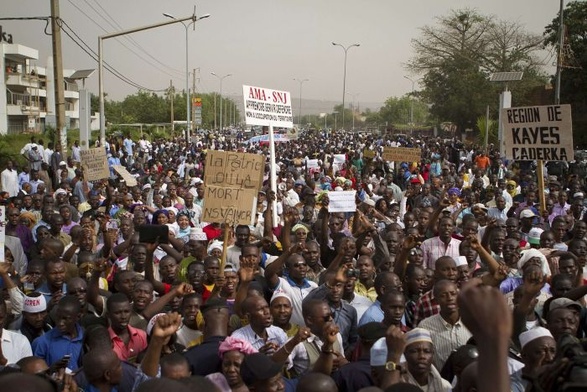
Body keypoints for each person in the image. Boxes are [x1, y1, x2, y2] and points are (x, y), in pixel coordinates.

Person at [417, 280, 472, 370]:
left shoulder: (472, 321)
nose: (449, 298)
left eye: (453, 294)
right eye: (443, 295)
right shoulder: (425, 326)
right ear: (436, 300)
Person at [32, 295, 84, 371]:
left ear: (78, 317)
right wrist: (50, 370)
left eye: (65, 319)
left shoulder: (87, 338)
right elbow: (36, 377)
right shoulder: (42, 342)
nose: (60, 323)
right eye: (58, 317)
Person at [0, 300, 33, 365]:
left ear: (5, 317)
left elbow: (27, 373)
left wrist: (4, 362)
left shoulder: (20, 341)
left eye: (0, 317)